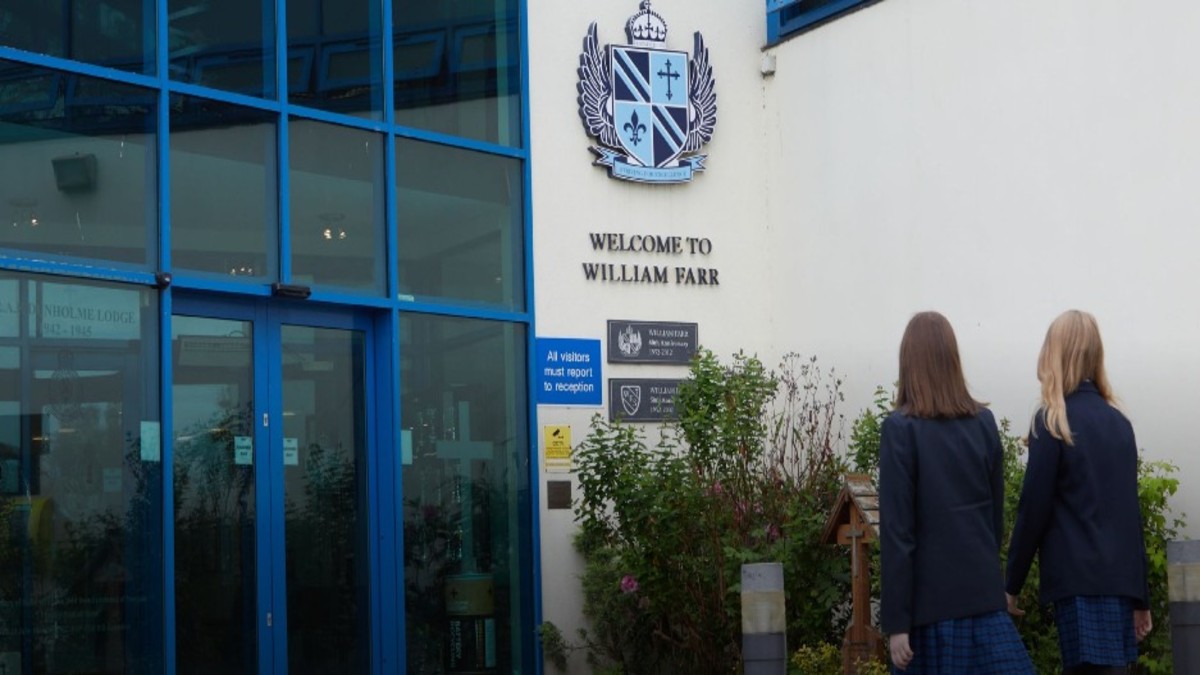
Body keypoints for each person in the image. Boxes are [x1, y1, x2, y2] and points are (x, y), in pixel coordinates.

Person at [880, 311, 1033, 674]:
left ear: (908, 362)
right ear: (952, 359)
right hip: (983, 602)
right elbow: (993, 521)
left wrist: (897, 623)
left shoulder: (900, 429)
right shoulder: (984, 423)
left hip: (930, 615)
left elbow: (898, 534)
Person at [1005, 310, 1152, 675]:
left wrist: (1011, 584)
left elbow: (1033, 510)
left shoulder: (1053, 421)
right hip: (1119, 586)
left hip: (1078, 584)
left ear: (1054, 354)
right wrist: (1141, 597)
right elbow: (1130, 517)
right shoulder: (1120, 424)